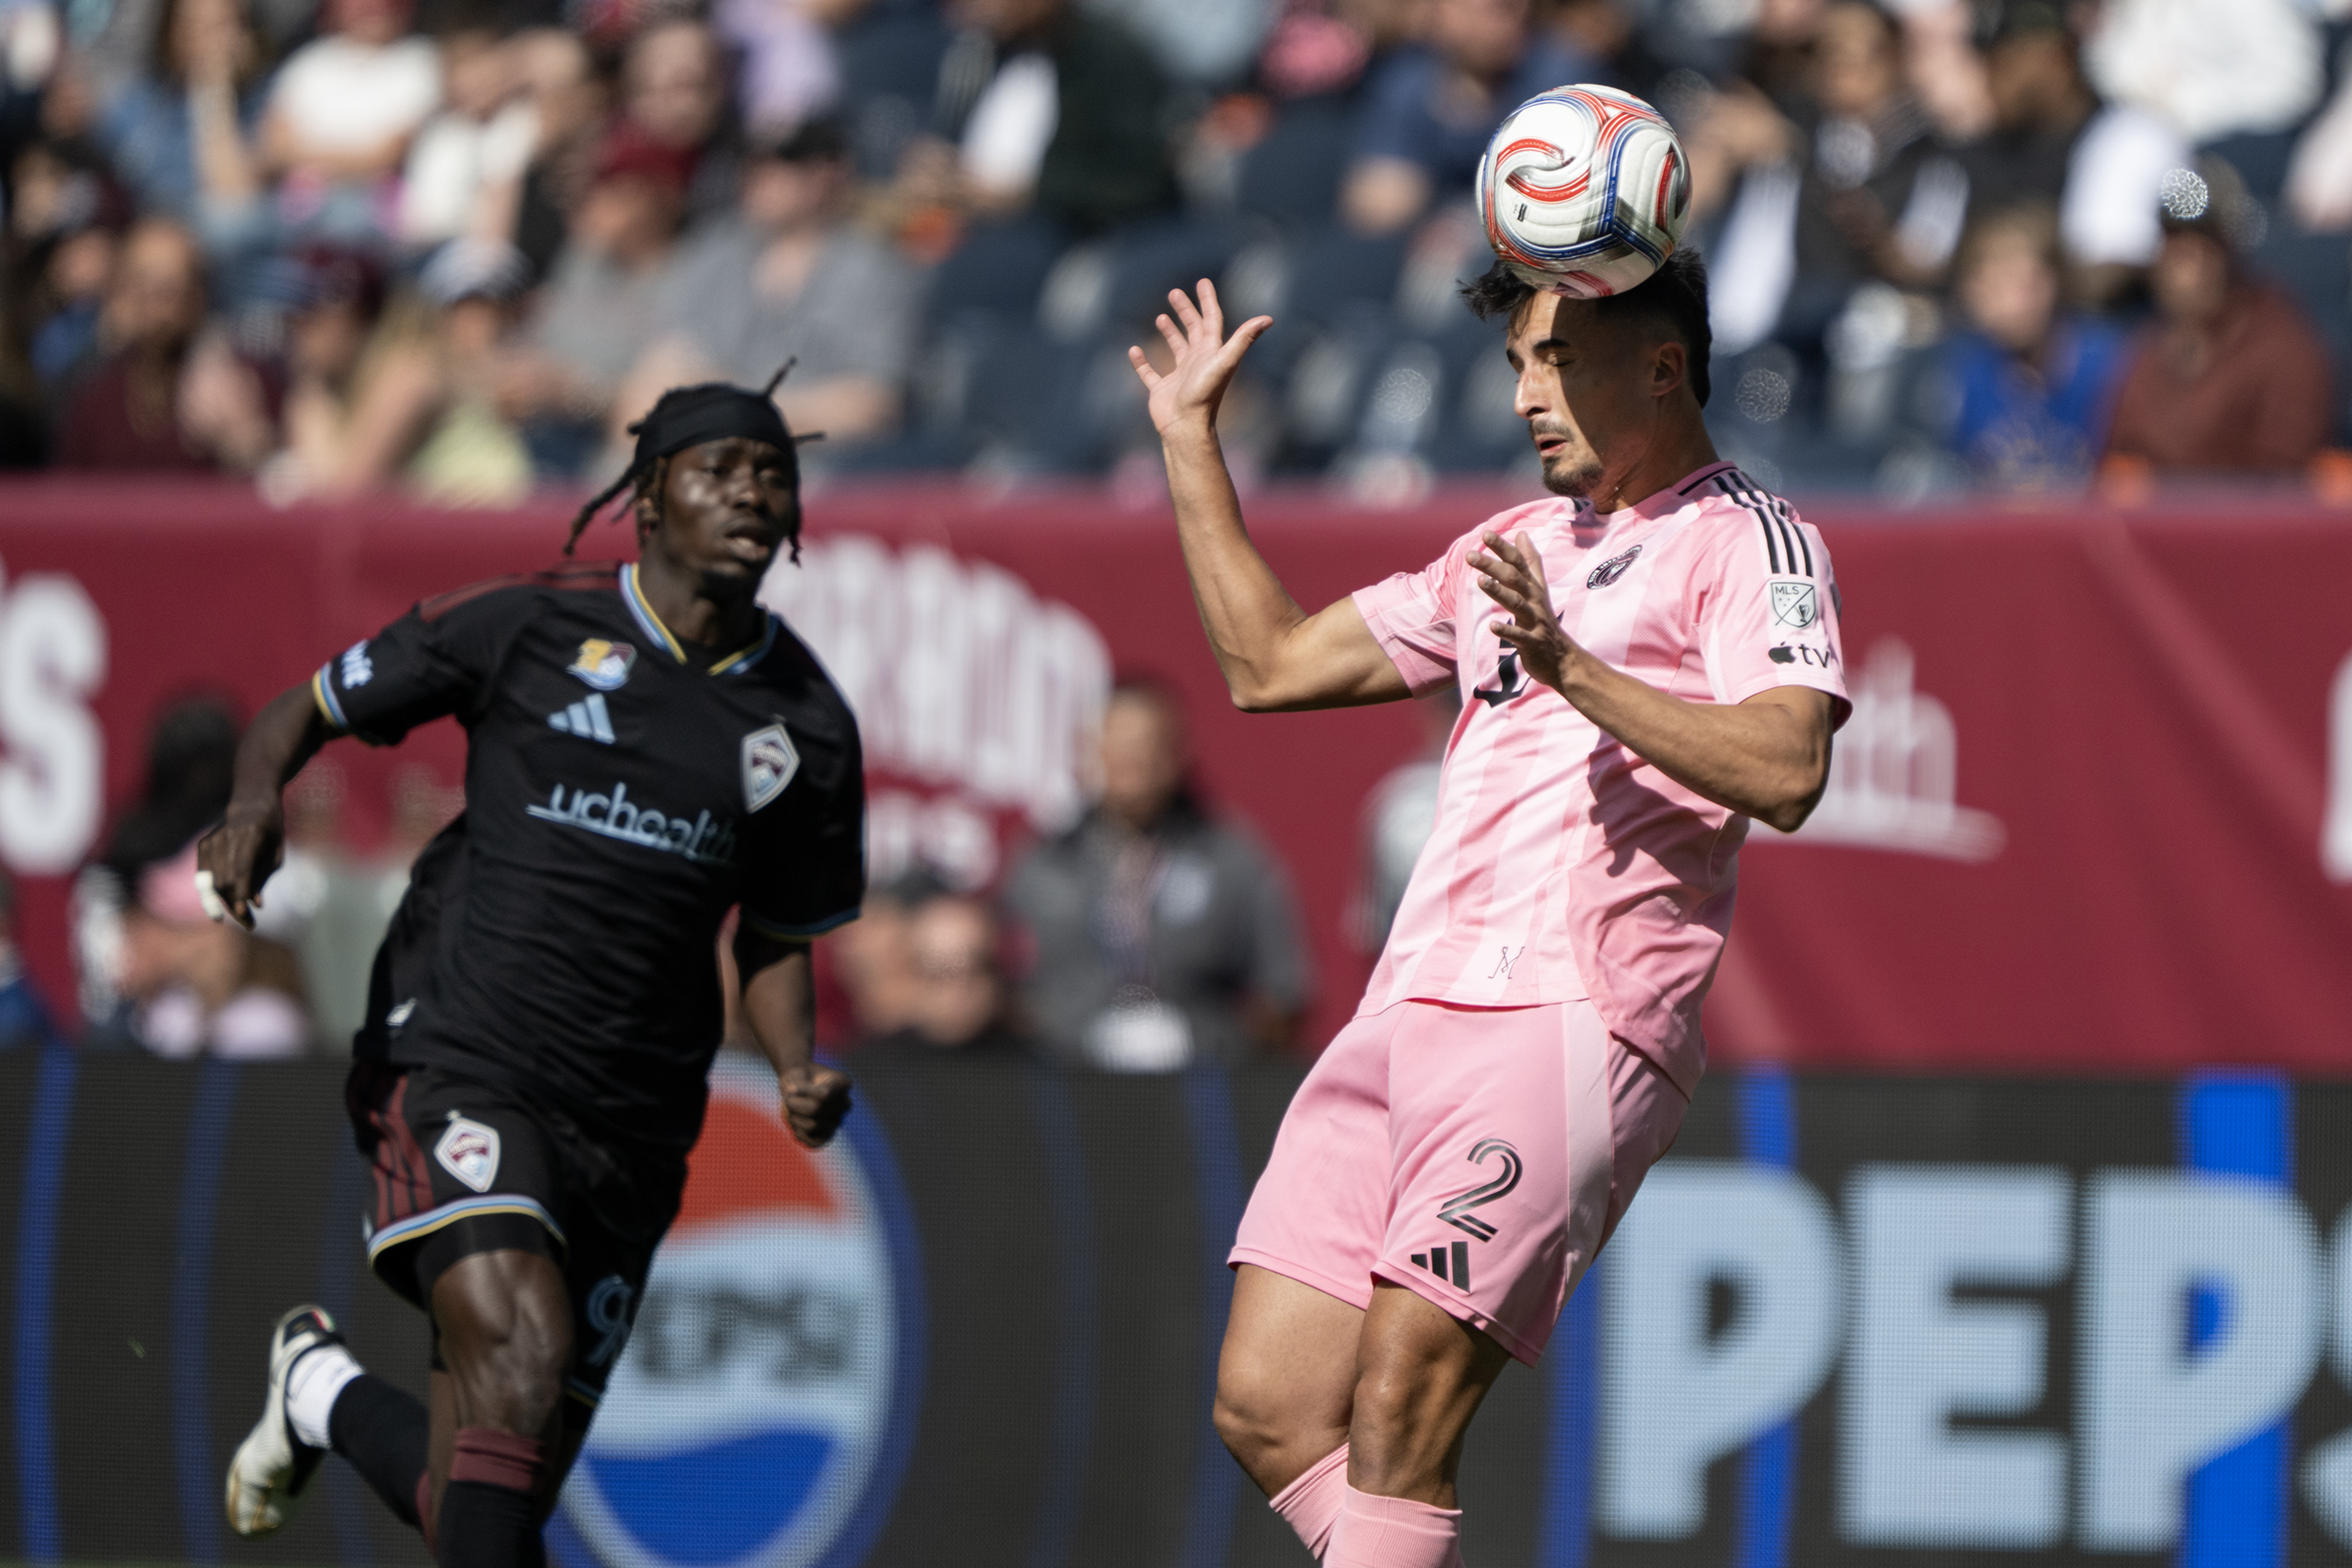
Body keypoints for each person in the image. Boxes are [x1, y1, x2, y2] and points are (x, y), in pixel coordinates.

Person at [1126, 253, 1846, 1564]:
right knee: (1271, 1405)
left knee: (1402, 1400)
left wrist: (1572, 670)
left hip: (1565, 1012)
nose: (1526, 394)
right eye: (1518, 362)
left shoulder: (1752, 537)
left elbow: (1789, 768)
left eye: (1555, 360)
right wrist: (1187, 441)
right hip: (1407, 1010)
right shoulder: (1506, 550)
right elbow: (1268, 666)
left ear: (1664, 366)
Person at [206, 367, 865, 1568]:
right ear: (651, 497)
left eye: (776, 474)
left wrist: (794, 1061)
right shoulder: (530, 623)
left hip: (636, 1117)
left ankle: (322, 1392)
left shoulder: (805, 722)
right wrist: (256, 804)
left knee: (487, 1500)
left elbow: (774, 929)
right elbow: (301, 708)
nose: (753, 493)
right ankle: (326, 1390)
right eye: (721, 469)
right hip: (462, 1050)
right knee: (523, 1351)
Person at [1002, 678, 1311, 1070]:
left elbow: (1284, 990)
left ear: (1177, 753)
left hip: (1200, 1083)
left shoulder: (1232, 857)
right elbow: (1002, 986)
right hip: (1067, 1082)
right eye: (1117, 744)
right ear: (1089, 753)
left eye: (1147, 744)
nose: (1133, 761)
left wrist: (1228, 1045)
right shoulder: (1043, 862)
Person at [613, 117, 914, 450]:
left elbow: (873, 405)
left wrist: (742, 414)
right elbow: (659, 372)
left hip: (817, 465)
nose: (758, 179)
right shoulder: (715, 255)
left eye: (779, 166)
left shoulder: (872, 269)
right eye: (752, 166)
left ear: (828, 174)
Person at [2101, 164, 2336, 479]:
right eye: (2176, 249)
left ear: (2230, 255)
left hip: (2242, 526)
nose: (2186, 269)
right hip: (2150, 525)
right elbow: (2122, 453)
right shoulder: (2148, 345)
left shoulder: (2285, 351)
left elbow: (2280, 490)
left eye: (2203, 250)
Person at [1340, 0, 1585, 236]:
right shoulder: (1407, 82)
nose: (1519, 15)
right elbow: (1378, 208)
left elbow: (1572, 201)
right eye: (1500, 7)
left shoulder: (1561, 80)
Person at [52, 216, 278, 472]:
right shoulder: (95, 399)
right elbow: (66, 499)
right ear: (123, 292)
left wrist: (245, 443)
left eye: (173, 287)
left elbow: (279, 489)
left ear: (199, 294)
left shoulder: (243, 384)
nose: (159, 304)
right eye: (145, 284)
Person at [1931, 204, 2128, 492]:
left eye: (2026, 284)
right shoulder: (1959, 378)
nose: (2014, 303)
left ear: (2058, 283)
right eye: (1996, 285)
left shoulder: (2112, 368)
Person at [857, 890, 1032, 1058]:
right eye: (939, 969)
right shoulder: (868, 1074)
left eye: (975, 966)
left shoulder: (1039, 1071)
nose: (958, 987)